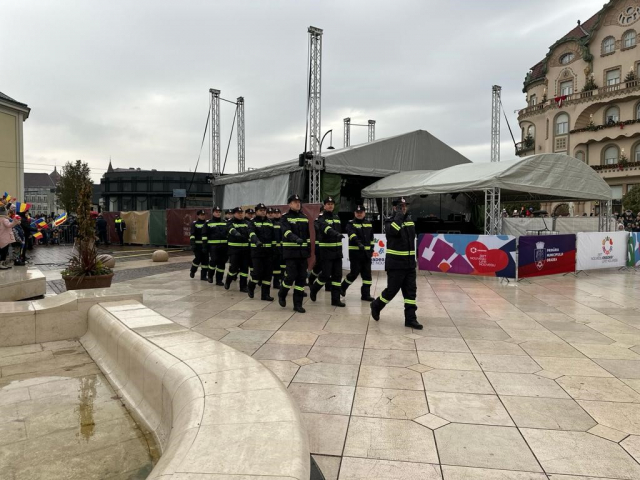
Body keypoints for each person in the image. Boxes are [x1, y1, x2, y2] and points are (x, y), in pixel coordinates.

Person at [370, 197, 423, 330]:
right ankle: (376, 305)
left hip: (409, 264)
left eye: (404, 206)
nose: (403, 208)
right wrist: (398, 215)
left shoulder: (410, 221)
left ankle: (410, 319)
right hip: (396, 264)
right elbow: (393, 231)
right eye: (400, 206)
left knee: (410, 293)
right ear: (394, 208)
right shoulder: (389, 221)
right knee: (392, 291)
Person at [309, 197, 345, 307]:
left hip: (337, 252)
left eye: (332, 204)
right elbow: (325, 228)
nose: (330, 205)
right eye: (328, 204)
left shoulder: (336, 217)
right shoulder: (320, 218)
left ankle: (335, 300)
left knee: (337, 276)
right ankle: (314, 289)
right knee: (325, 275)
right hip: (326, 251)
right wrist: (335, 234)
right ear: (324, 206)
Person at [278, 194, 310, 313]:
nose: (298, 204)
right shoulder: (285, 217)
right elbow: (286, 231)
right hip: (291, 252)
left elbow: (307, 235)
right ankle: (282, 293)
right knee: (291, 276)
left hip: (302, 253)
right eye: (295, 202)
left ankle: (298, 304)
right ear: (290, 204)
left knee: (301, 279)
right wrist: (295, 239)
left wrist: (308, 249)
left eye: (299, 202)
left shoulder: (304, 217)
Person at [340, 204, 375, 301]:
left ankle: (365, 295)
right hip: (355, 254)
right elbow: (351, 234)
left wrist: (372, 249)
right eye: (357, 212)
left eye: (361, 212)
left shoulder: (369, 223)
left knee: (367, 275)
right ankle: (342, 287)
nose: (359, 214)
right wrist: (358, 242)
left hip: (366, 254)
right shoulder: (350, 224)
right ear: (354, 213)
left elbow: (371, 238)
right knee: (354, 274)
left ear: (364, 213)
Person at [247, 203, 275, 301]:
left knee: (268, 273)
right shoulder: (252, 222)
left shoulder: (270, 222)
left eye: (264, 210)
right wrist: (256, 241)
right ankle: (251, 286)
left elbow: (273, 237)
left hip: (268, 252)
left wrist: (275, 249)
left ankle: (265, 294)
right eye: (261, 210)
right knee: (257, 272)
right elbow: (251, 233)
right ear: (256, 211)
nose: (263, 212)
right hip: (257, 251)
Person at [225, 207, 250, 292]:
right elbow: (230, 229)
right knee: (234, 268)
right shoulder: (230, 222)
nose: (240, 214)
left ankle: (243, 286)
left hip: (245, 249)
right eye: (238, 213)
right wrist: (236, 233)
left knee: (244, 268)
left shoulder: (247, 223)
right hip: (234, 250)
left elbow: (250, 231)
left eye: (241, 213)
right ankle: (228, 279)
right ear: (234, 214)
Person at [204, 206, 228, 285]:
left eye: (219, 212)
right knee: (214, 261)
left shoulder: (225, 222)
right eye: (216, 212)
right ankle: (210, 275)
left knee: (222, 263)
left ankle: (219, 280)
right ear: (213, 213)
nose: (218, 213)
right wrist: (205, 246)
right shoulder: (208, 223)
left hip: (224, 246)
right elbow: (204, 235)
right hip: (213, 246)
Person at [189, 210, 208, 280]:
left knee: (205, 260)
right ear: (198, 216)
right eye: (201, 215)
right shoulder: (195, 224)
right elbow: (192, 235)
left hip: (205, 245)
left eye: (204, 215)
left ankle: (203, 276)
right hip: (197, 245)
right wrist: (193, 244)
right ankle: (193, 271)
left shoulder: (207, 223)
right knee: (198, 258)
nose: (203, 216)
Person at [268, 207, 283, 289]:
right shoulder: (269, 223)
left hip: (279, 249)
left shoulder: (282, 223)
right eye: (275, 213)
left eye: (278, 213)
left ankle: (276, 283)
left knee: (278, 267)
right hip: (270, 249)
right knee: (269, 266)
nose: (276, 215)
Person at [0, 205, 18, 269]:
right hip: (5, 238)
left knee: (2, 251)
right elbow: (9, 225)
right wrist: (15, 221)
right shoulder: (4, 219)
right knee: (4, 251)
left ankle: (3, 263)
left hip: (1, 238)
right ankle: (1, 263)